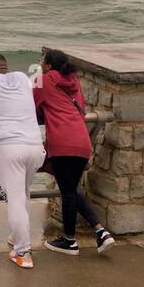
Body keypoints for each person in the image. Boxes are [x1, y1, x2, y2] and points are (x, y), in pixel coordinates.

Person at [35, 48, 115, 255]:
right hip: (82, 140)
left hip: (62, 142)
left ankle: (70, 241)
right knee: (71, 190)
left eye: (42, 59)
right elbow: (80, 105)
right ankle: (101, 232)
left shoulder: (43, 80)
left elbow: (32, 106)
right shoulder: (73, 80)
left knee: (68, 192)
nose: (40, 62)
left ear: (49, 65)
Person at [0, 53, 44, 269]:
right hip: (35, 146)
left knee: (14, 199)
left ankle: (23, 252)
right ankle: (17, 237)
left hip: (10, 146)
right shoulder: (23, 77)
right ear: (5, 67)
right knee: (23, 194)